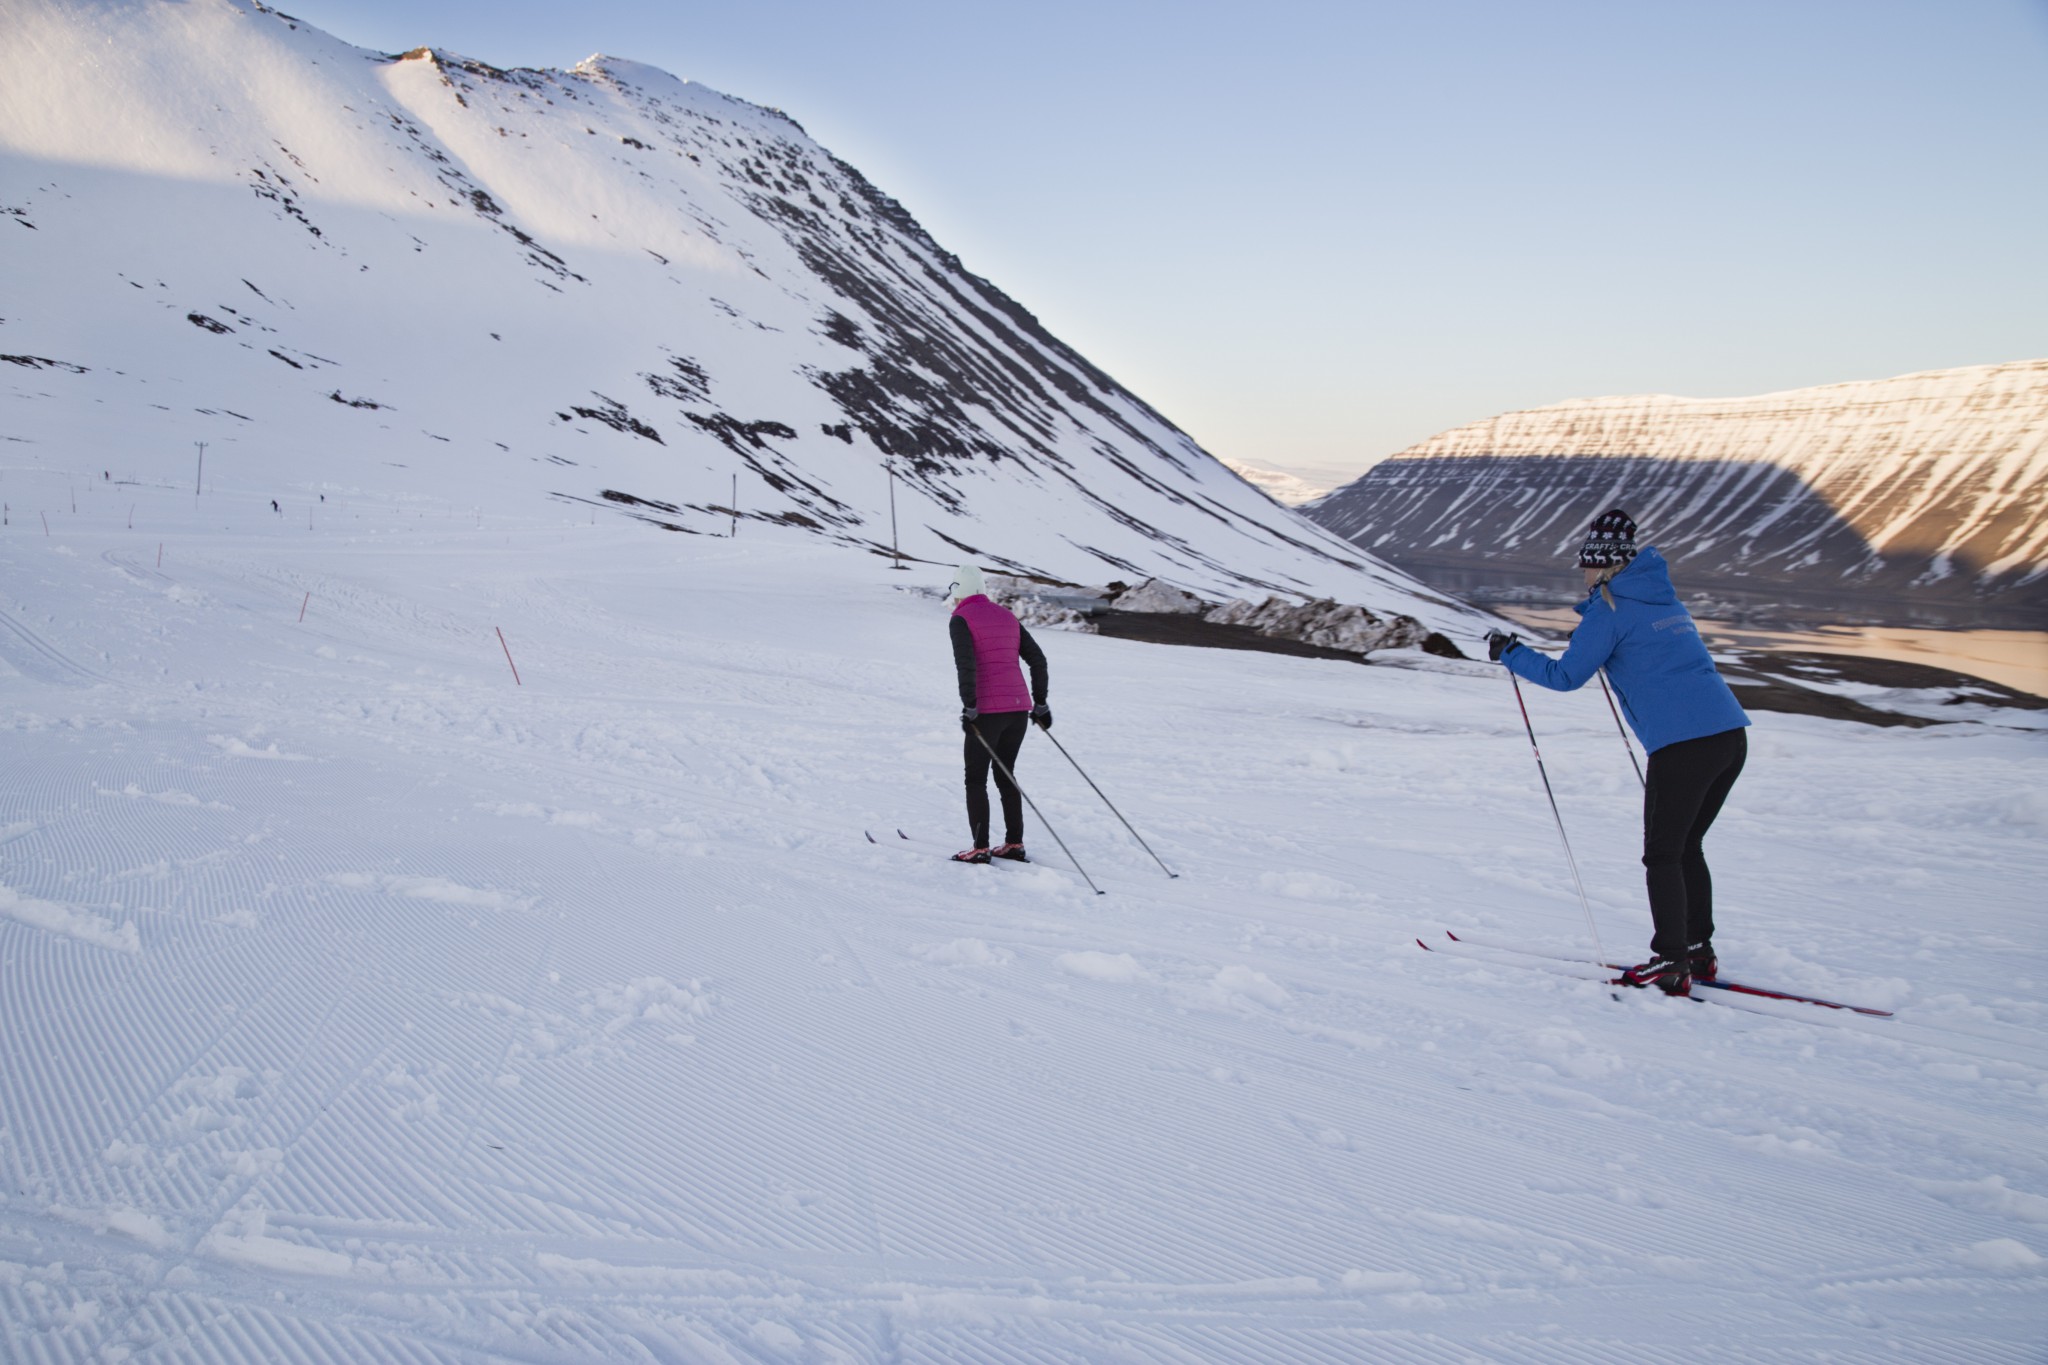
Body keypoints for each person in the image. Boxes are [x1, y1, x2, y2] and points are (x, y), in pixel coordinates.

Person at [1485, 509, 1750, 996]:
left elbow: (1565, 678)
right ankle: (1698, 951)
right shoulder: (1662, 600)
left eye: (1587, 565)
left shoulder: (1609, 612)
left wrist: (1511, 653)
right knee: (1687, 847)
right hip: (1729, 737)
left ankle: (1671, 962)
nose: (1582, 573)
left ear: (1604, 566)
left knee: (1663, 854)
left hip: (1684, 745)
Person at [946, 565, 1051, 864]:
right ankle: (1014, 843)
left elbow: (965, 666)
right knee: (1005, 774)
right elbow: (1038, 660)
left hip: (987, 712)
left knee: (975, 778)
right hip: (1018, 710)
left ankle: (980, 848)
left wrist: (970, 706)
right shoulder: (1006, 615)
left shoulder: (960, 619)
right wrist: (1040, 703)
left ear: (958, 591)